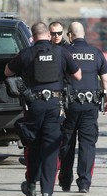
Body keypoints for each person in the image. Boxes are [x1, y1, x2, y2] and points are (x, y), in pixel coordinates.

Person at [5, 22, 81, 196]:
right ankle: (47, 193)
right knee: (51, 149)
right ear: (48, 34)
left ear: (33, 36)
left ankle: (31, 184)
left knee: (33, 146)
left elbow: (7, 72)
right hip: (55, 105)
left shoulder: (26, 53)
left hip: (33, 106)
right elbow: (78, 75)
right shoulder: (61, 52)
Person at [58, 21, 107, 193]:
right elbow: (106, 80)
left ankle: (65, 182)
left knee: (67, 143)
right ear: (83, 35)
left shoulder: (65, 52)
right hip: (91, 105)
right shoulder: (95, 52)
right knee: (87, 144)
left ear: (70, 35)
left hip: (69, 106)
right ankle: (84, 184)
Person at [18, 21, 69, 167]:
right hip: (39, 100)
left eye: (59, 33)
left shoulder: (64, 51)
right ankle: (37, 164)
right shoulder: (34, 51)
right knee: (37, 136)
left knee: (56, 138)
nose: (56, 36)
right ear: (48, 34)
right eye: (53, 34)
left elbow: (75, 74)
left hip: (60, 98)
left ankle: (53, 168)